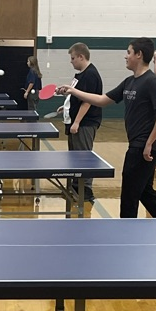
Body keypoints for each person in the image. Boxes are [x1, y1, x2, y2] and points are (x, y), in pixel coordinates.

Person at [58, 37, 156, 219]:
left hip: (143, 146)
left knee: (129, 195)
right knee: (145, 192)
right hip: (138, 143)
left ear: (139, 55)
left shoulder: (151, 81)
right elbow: (102, 100)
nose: (125, 56)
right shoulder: (129, 82)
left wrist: (149, 143)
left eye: (128, 52)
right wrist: (73, 91)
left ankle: (125, 234)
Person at [63, 43, 103, 205]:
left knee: (83, 157)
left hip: (85, 124)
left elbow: (87, 102)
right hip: (76, 122)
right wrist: (66, 107)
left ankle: (86, 191)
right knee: (75, 157)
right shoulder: (80, 75)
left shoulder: (90, 75)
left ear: (81, 56)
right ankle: (75, 187)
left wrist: (77, 122)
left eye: (73, 58)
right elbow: (77, 98)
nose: (71, 62)